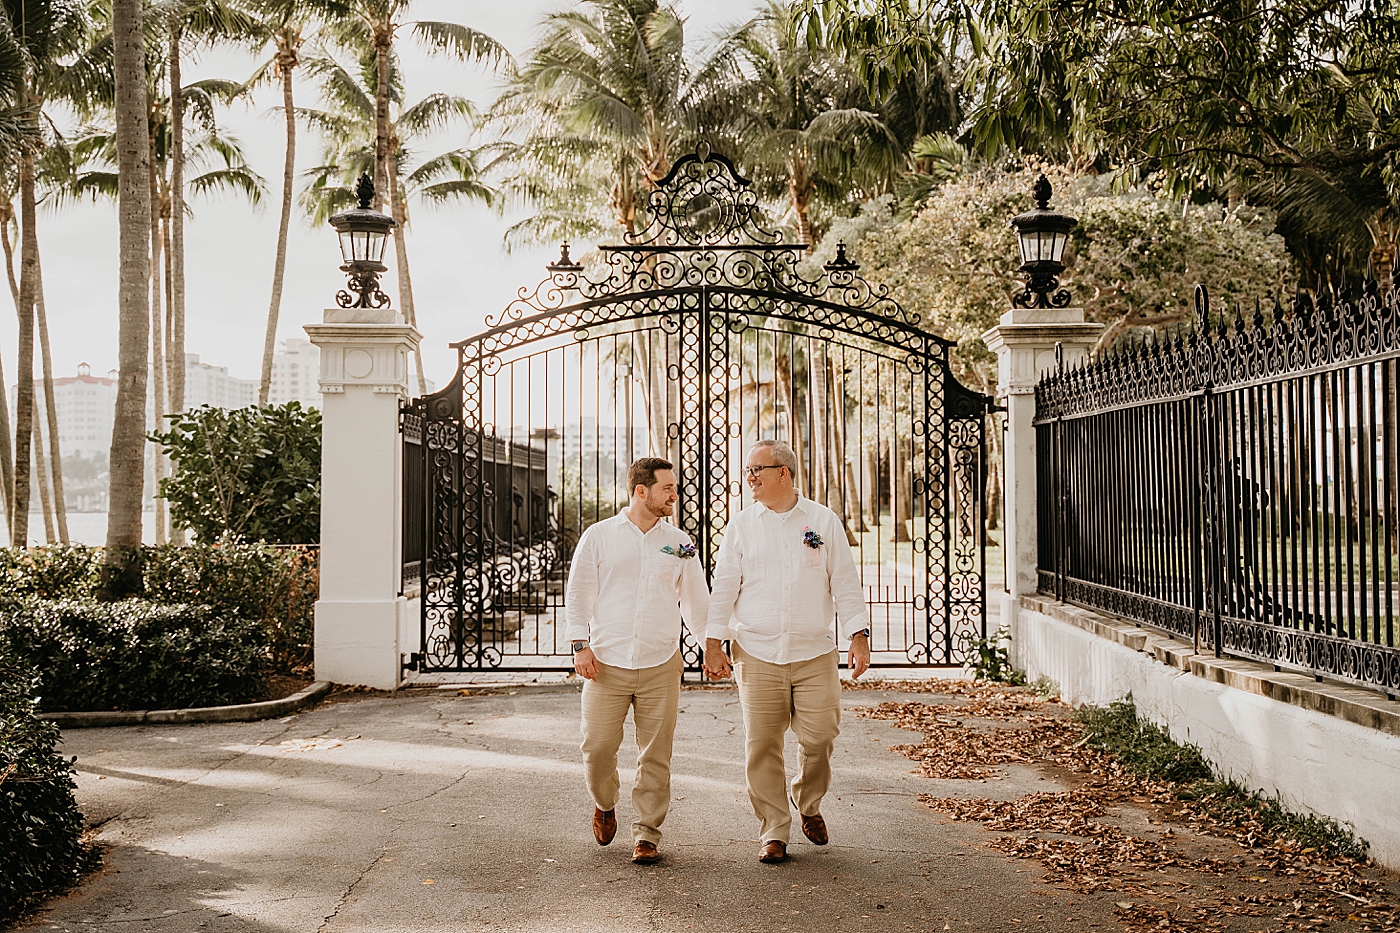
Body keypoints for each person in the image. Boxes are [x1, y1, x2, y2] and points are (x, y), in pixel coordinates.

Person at [703, 439, 871, 864]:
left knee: (821, 738)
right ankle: (774, 830)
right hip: (756, 651)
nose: (750, 478)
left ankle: (807, 801)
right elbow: (724, 587)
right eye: (747, 471)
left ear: (784, 472)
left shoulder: (822, 521)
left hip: (814, 652)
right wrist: (713, 641)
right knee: (762, 744)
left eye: (757, 469)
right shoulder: (741, 526)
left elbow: (845, 581)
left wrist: (858, 634)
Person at [565, 457, 710, 865]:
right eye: (667, 488)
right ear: (641, 491)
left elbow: (697, 602)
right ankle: (604, 802)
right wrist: (580, 645)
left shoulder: (681, 542)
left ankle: (647, 833)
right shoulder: (599, 537)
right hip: (605, 665)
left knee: (655, 754)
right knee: (596, 749)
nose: (674, 496)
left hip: (660, 664)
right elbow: (579, 595)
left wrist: (712, 647)